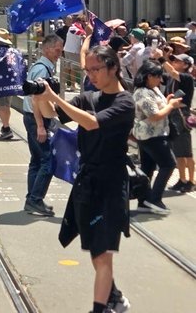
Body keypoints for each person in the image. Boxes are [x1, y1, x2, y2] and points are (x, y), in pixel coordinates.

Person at [34, 45, 134, 313]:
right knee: (94, 248)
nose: (90, 75)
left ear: (113, 67)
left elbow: (91, 123)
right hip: (87, 181)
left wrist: (55, 96)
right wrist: (41, 96)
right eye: (87, 70)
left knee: (103, 253)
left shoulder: (125, 102)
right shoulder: (88, 96)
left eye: (96, 69)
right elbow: (51, 115)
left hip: (111, 183)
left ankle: (100, 308)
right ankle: (114, 296)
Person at [22, 34, 64, 216]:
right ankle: (35, 199)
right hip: (35, 118)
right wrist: (40, 125)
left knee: (37, 160)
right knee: (48, 160)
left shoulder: (44, 67)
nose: (59, 54)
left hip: (33, 117)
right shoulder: (42, 70)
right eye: (57, 50)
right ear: (47, 49)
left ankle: (32, 198)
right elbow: (36, 99)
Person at [132, 59, 180, 214]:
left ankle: (144, 200)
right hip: (151, 135)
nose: (160, 80)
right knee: (168, 164)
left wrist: (167, 102)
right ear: (149, 76)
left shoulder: (153, 89)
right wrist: (171, 106)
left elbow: (158, 108)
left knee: (148, 167)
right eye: (158, 76)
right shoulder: (142, 93)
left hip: (153, 134)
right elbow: (154, 115)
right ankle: (154, 198)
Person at [163, 53, 195, 192]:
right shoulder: (171, 78)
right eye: (174, 60)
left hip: (182, 114)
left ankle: (191, 180)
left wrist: (161, 58)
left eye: (178, 60)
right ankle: (182, 179)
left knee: (187, 151)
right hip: (173, 114)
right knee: (178, 151)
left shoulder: (186, 77)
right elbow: (165, 72)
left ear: (186, 65)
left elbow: (172, 71)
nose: (174, 61)